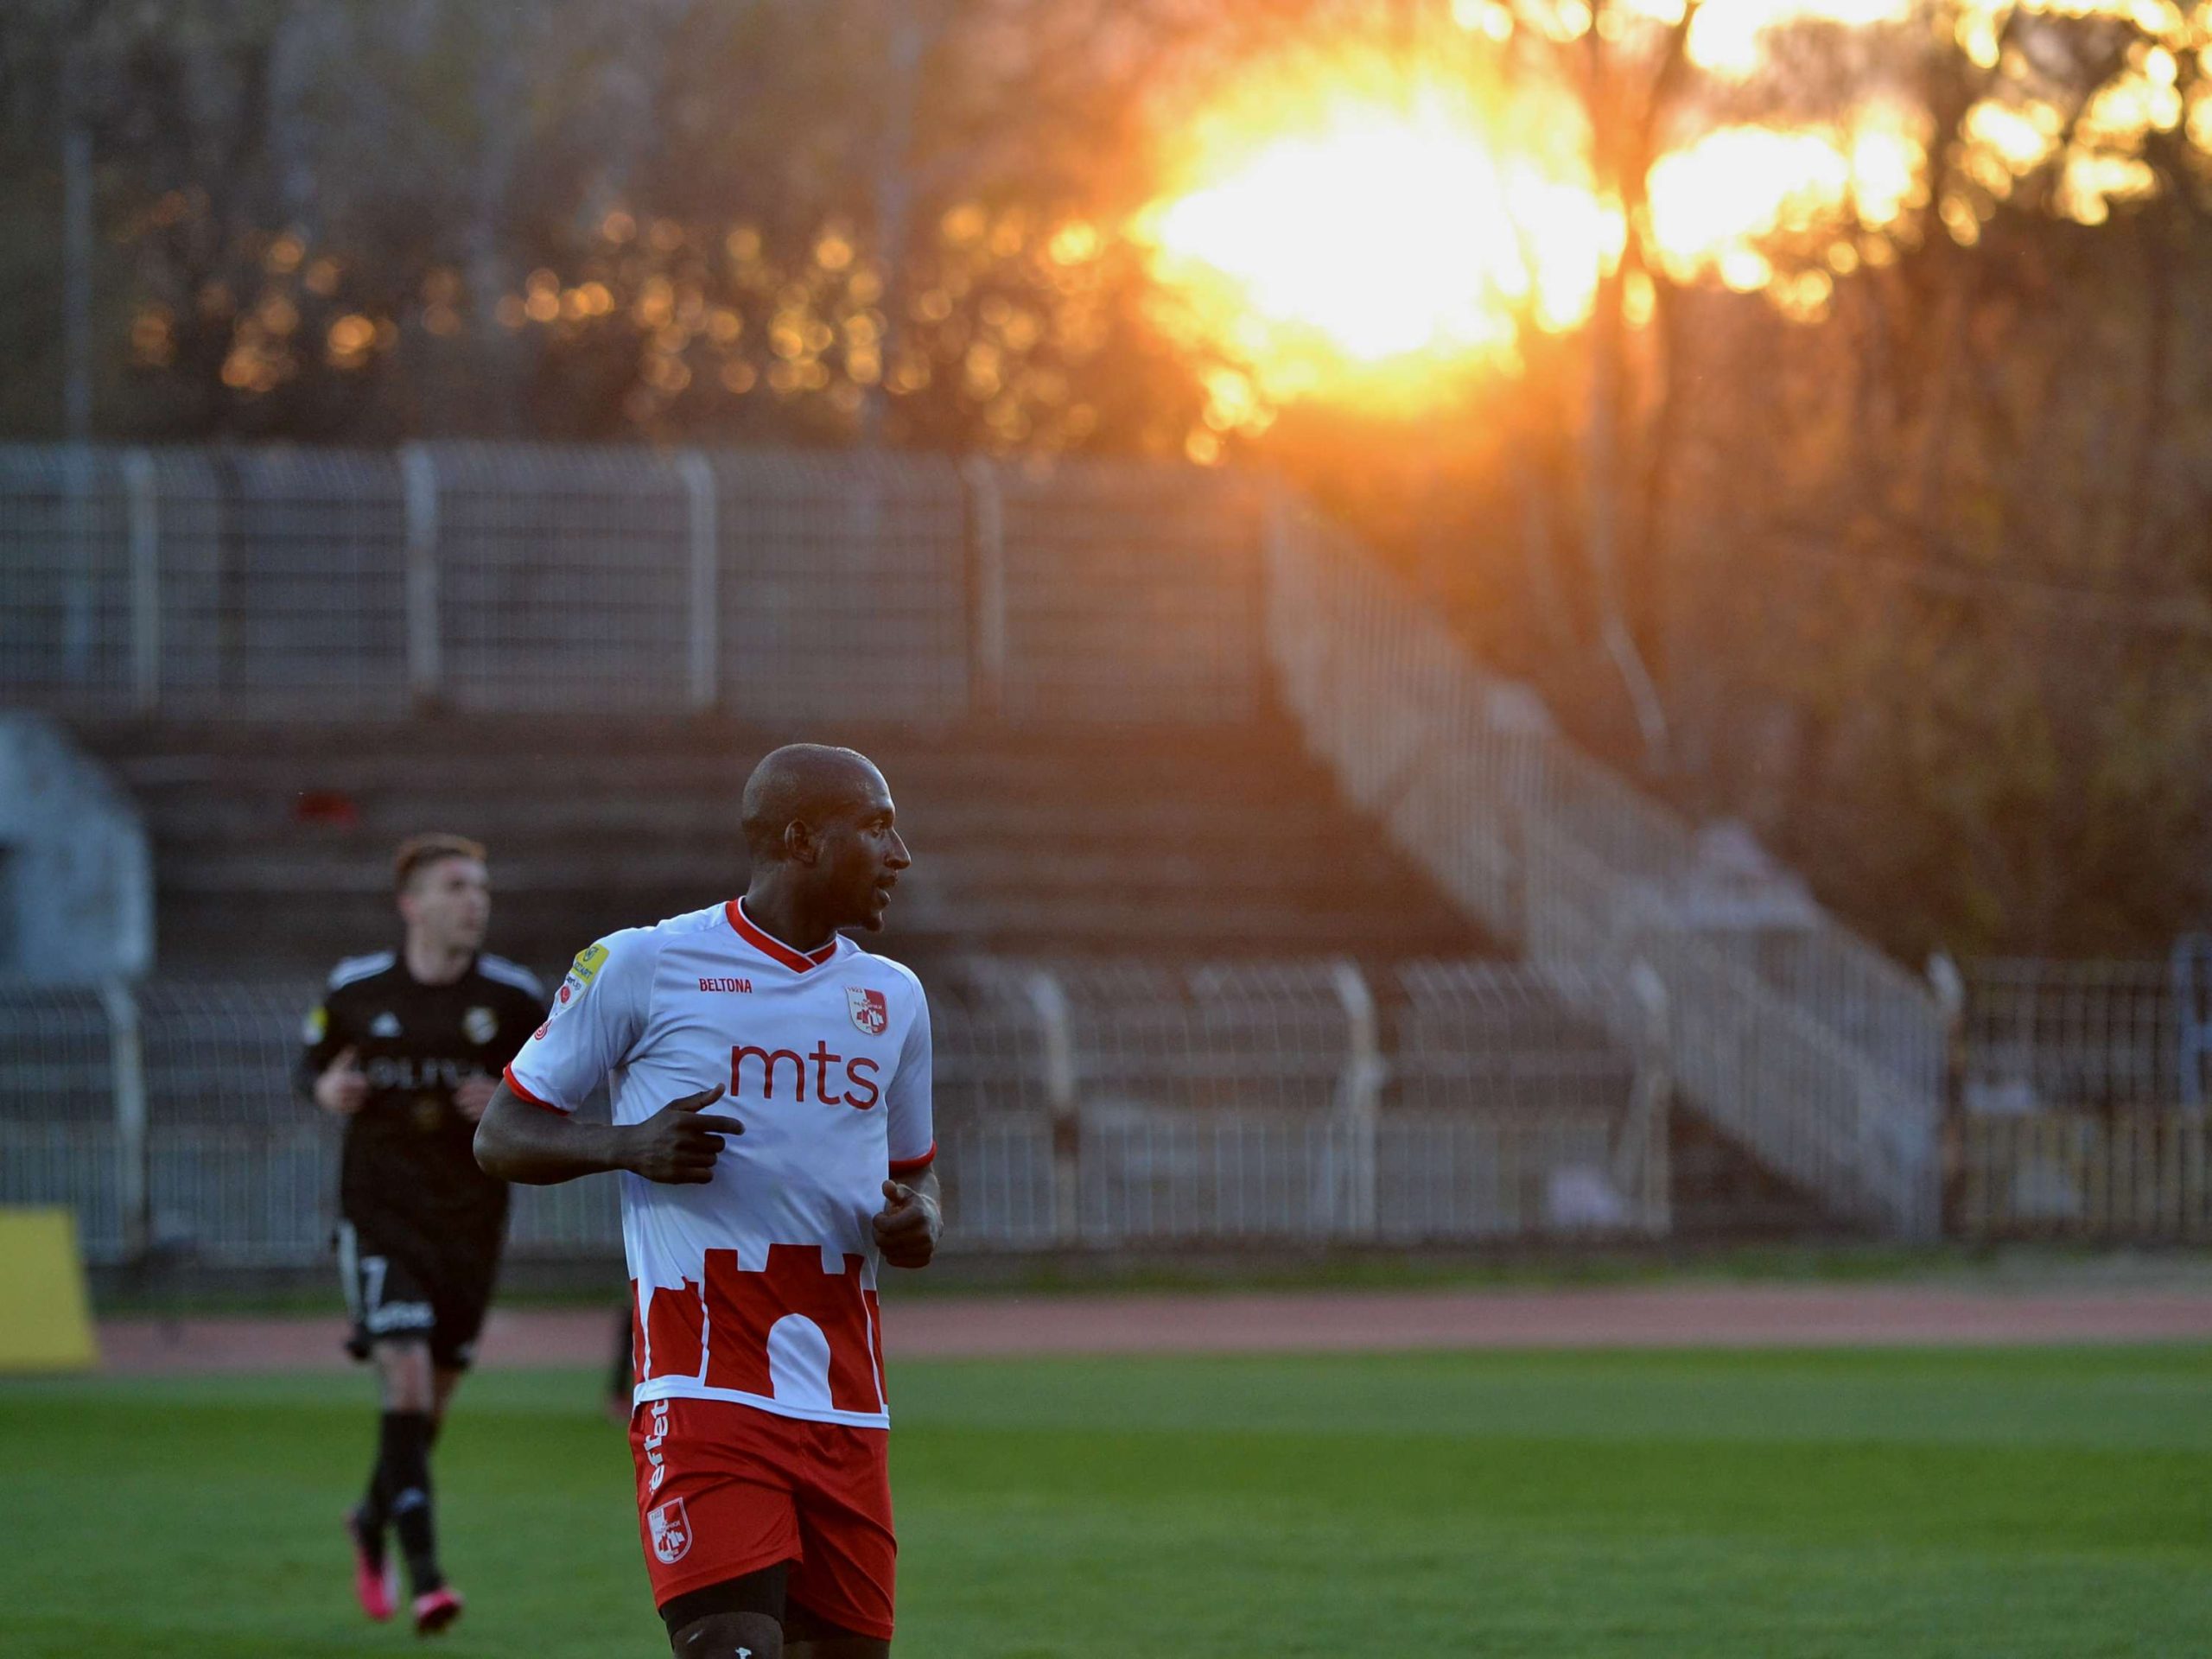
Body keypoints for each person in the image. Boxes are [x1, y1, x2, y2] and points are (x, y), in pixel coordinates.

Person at [474, 744, 941, 1659]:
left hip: (848, 1405)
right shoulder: (644, 964)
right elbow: (500, 1134)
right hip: (703, 1389)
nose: (902, 854)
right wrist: (627, 1146)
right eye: (879, 826)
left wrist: (919, 1218)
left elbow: (916, 1172)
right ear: (802, 838)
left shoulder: (894, 998)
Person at [300, 832, 546, 1635]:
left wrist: (512, 1097)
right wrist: (328, 1087)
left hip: (471, 1226)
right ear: (412, 904)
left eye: (481, 888)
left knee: (430, 1407)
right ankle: (431, 1579)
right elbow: (312, 1065)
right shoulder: (357, 988)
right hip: (381, 1219)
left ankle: (369, 1520)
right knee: (403, 1383)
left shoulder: (512, 1000)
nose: (474, 901)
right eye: (456, 886)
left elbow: (561, 1084)